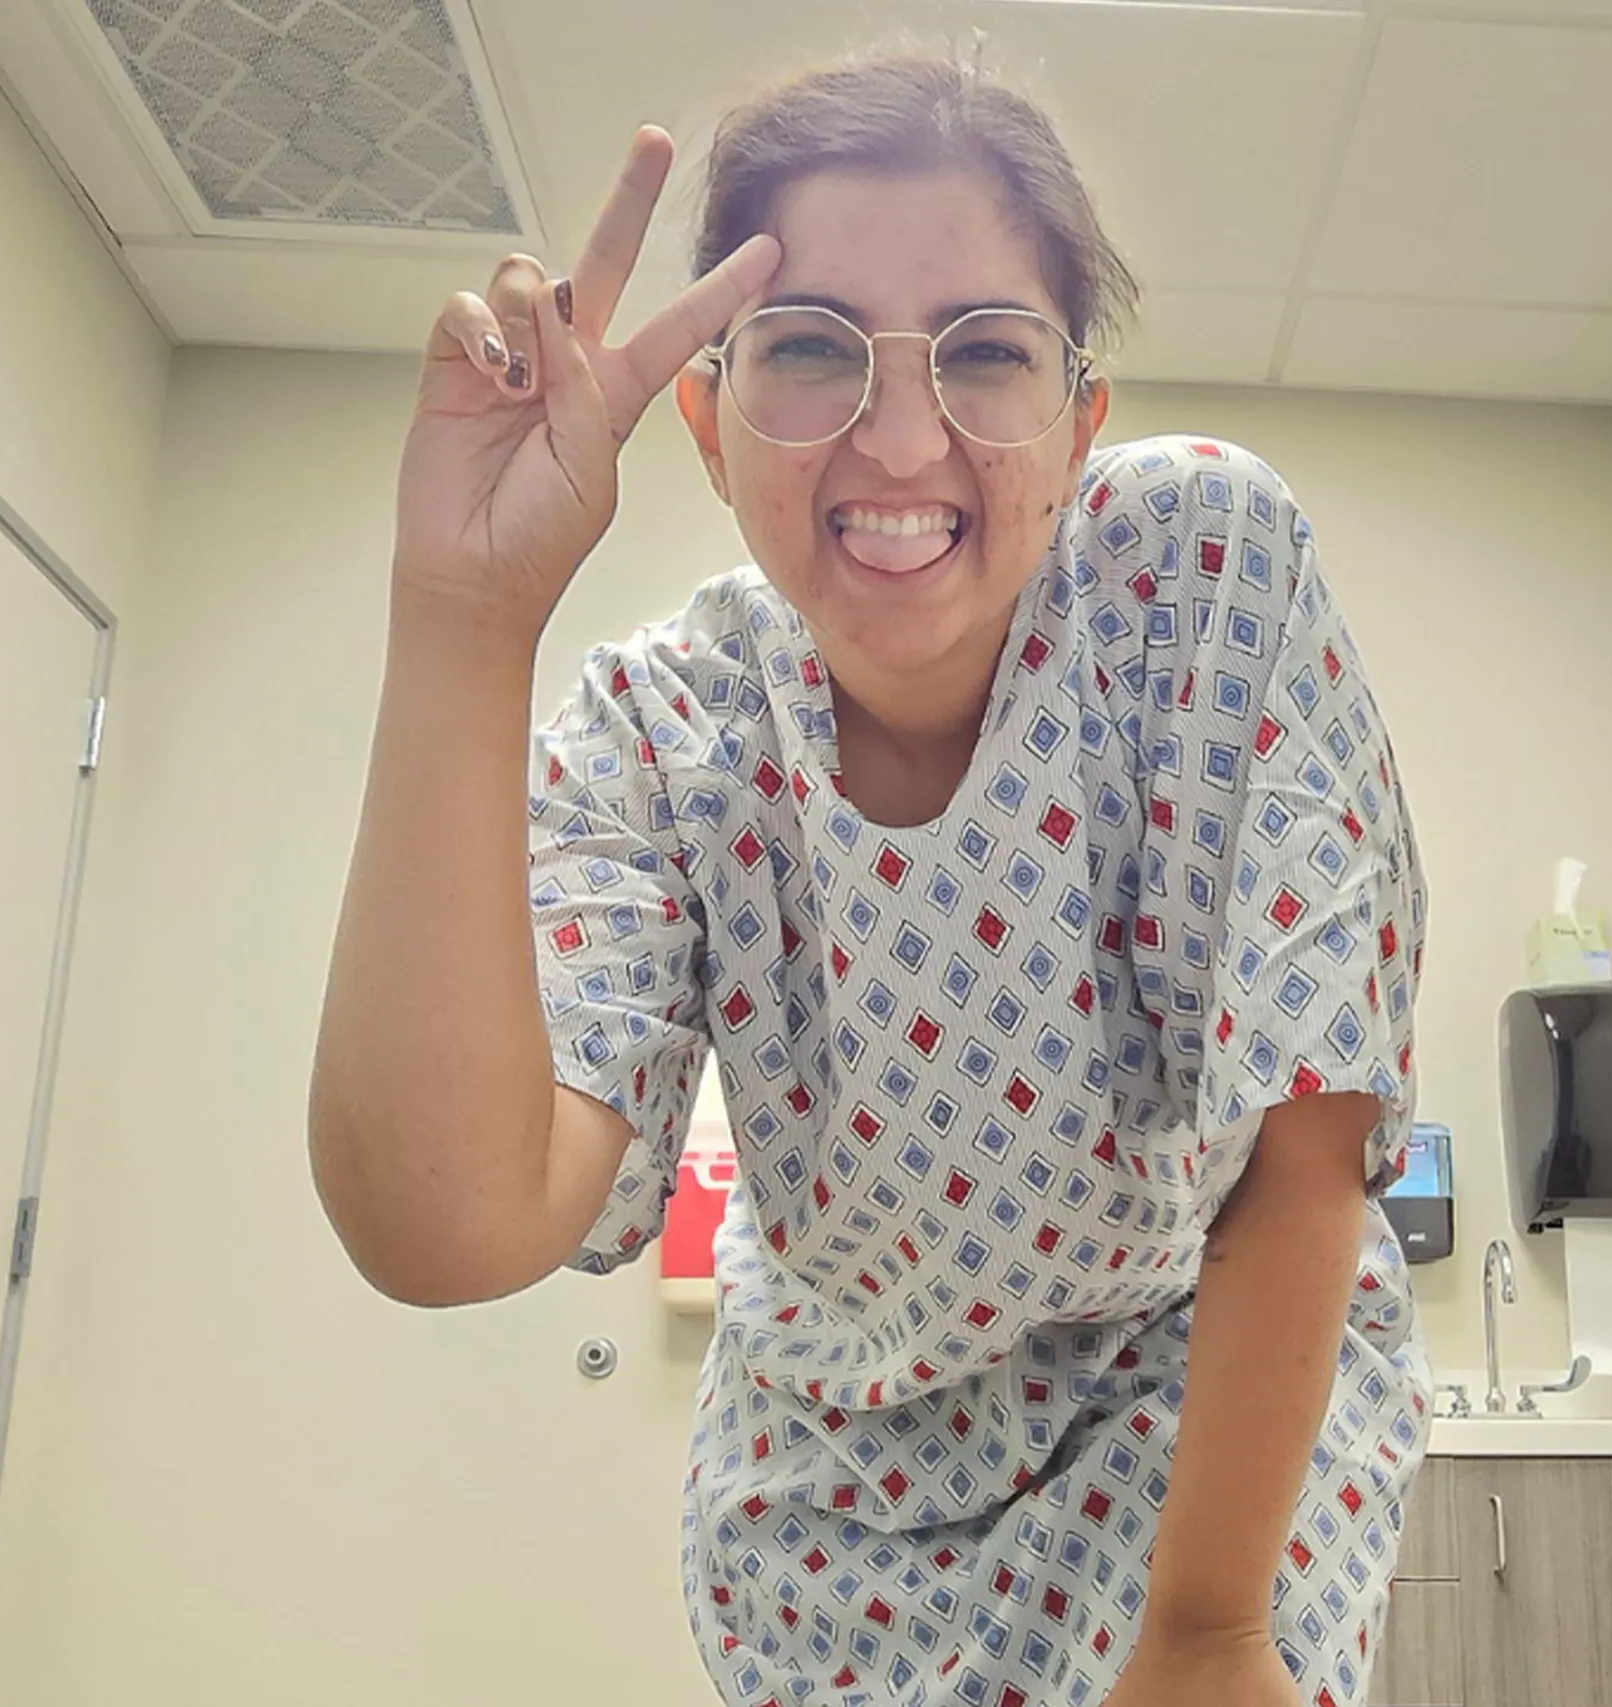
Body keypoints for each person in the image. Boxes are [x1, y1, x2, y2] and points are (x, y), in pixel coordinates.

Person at [309, 51, 1431, 1707]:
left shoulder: (1196, 569)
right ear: (704, 415)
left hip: (1195, 1393)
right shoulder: (669, 729)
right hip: (832, 1472)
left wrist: (1205, 1629)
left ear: (1077, 423)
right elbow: (446, 1222)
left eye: (986, 353)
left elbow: (1307, 1131)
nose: (900, 441)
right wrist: (464, 616)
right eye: (814, 348)